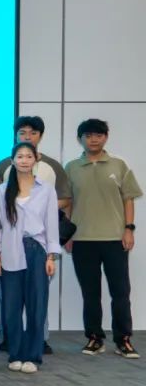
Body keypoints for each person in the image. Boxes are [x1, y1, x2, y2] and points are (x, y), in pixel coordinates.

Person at [66, 118, 143, 359]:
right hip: (82, 239)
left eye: (98, 135)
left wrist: (129, 229)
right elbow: (68, 203)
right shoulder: (71, 167)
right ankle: (94, 338)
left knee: (120, 292)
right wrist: (67, 235)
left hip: (114, 239)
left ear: (106, 137)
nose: (94, 139)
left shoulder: (119, 165)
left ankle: (123, 340)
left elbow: (128, 199)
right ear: (80, 139)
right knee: (90, 294)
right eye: (88, 135)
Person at [0, 142, 60, 373]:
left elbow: (52, 224)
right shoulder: (2, 190)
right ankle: (15, 354)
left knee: (36, 305)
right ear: (12, 160)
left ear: (36, 159)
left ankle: (33, 356)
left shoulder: (46, 190)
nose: (24, 160)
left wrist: (51, 256)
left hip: (36, 250)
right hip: (10, 249)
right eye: (19, 156)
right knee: (11, 306)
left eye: (28, 156)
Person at [0, 116, 73, 213]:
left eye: (33, 133)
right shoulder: (3, 166)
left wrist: (38, 208)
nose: (27, 137)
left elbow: (65, 199)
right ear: (15, 136)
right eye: (22, 133)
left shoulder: (53, 165)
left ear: (40, 136)